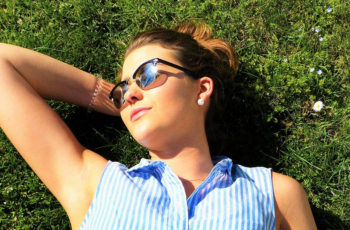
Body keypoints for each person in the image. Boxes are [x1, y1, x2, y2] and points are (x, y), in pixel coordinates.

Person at [0, 22, 316, 230]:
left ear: (201, 88)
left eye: (148, 75)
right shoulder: (94, 185)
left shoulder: (274, 195)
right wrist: (108, 97)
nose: (131, 94)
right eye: (123, 90)